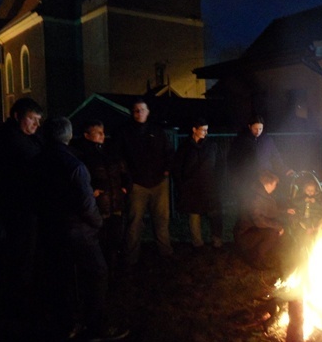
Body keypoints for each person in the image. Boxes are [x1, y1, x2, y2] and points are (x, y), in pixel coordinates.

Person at [37, 117, 127, 342]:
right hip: (77, 230)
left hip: (49, 229)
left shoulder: (37, 161)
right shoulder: (75, 165)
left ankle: (66, 324)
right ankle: (94, 326)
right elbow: (86, 203)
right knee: (97, 273)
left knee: (62, 277)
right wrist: (97, 222)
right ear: (68, 135)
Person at [112, 99, 174, 268]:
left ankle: (165, 253)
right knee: (134, 222)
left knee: (161, 220)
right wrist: (126, 179)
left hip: (159, 182)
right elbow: (118, 157)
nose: (139, 113)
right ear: (132, 113)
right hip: (137, 184)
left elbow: (168, 152)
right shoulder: (124, 132)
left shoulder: (157, 130)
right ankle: (130, 258)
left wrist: (167, 170)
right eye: (136, 110)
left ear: (148, 112)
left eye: (142, 110)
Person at [0, 97, 44, 317]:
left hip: (25, 206)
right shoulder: (10, 140)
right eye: (31, 119)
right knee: (20, 255)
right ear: (17, 116)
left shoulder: (28, 138)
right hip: (18, 209)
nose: (36, 125)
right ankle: (19, 303)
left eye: (38, 120)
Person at [72, 120, 131, 274]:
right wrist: (92, 192)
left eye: (102, 132)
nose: (102, 135)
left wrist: (125, 188)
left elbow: (124, 171)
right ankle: (102, 271)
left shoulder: (110, 151)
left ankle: (115, 269)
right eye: (97, 132)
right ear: (87, 135)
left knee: (116, 238)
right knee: (101, 240)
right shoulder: (82, 155)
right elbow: (81, 181)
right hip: (99, 206)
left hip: (116, 203)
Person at [172, 118, 223, 251]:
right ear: (194, 130)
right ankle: (197, 242)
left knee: (214, 213)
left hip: (210, 186)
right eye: (203, 130)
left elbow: (219, 166)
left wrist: (218, 182)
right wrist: (181, 185)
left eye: (207, 130)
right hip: (191, 187)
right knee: (194, 214)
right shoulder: (185, 147)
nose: (206, 133)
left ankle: (216, 240)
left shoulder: (212, 146)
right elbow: (178, 167)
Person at [233, 170, 298, 275]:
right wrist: (278, 227)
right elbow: (259, 221)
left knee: (275, 228)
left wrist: (285, 211)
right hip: (244, 235)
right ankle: (255, 259)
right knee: (273, 233)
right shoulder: (256, 199)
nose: (276, 187)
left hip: (252, 229)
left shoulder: (260, 192)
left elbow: (268, 210)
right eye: (275, 184)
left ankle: (260, 253)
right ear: (269, 184)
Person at [228, 115, 295, 204]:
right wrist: (235, 178)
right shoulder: (241, 141)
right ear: (249, 126)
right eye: (255, 128)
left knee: (265, 202)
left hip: (265, 177)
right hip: (247, 178)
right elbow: (233, 160)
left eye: (260, 129)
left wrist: (285, 169)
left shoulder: (267, 140)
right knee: (248, 203)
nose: (258, 131)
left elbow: (276, 158)